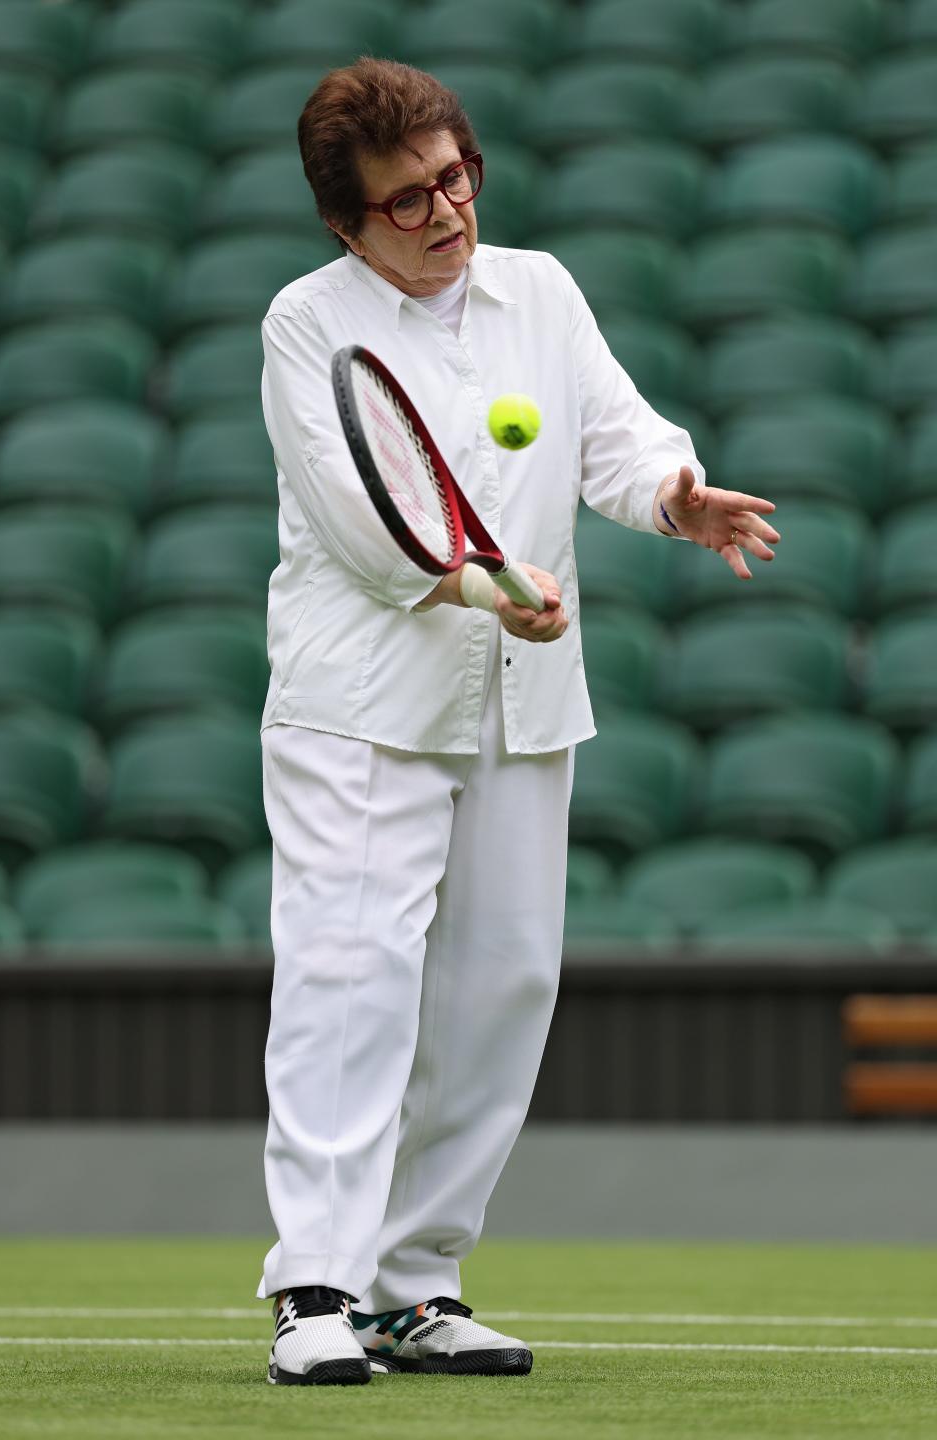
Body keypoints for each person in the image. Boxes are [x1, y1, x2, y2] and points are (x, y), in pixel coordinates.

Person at [257, 57, 780, 1387]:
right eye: (407, 201)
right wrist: (490, 585)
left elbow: (611, 434)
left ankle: (414, 1285)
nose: (446, 211)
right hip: (362, 705)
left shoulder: (539, 289)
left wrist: (677, 494)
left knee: (505, 984)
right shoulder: (308, 325)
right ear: (344, 224)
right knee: (352, 974)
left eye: (455, 177)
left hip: (520, 699)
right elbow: (367, 521)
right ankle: (315, 1289)